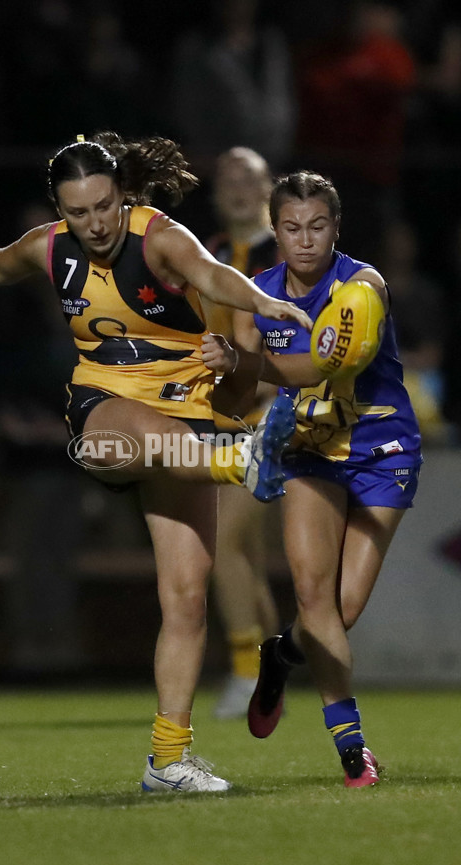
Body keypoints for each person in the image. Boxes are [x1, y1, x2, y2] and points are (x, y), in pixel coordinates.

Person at [0, 132, 311, 793]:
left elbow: (212, 273)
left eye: (104, 207)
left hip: (188, 419)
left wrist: (264, 303)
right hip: (109, 406)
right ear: (61, 209)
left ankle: (167, 762)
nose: (95, 224)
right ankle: (240, 460)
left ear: (122, 195)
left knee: (188, 600)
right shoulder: (51, 247)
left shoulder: (158, 236)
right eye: (78, 212)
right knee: (101, 445)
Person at [202, 170, 422, 787]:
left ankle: (279, 654)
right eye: (292, 227)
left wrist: (247, 359)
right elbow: (242, 390)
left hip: (383, 446)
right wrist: (221, 369)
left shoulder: (362, 287)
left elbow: (321, 363)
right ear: (275, 230)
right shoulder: (258, 294)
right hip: (309, 453)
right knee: (316, 599)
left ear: (336, 228)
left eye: (318, 226)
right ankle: (353, 750)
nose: (305, 241)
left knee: (342, 609)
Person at [203, 147, 281, 718]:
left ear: (268, 188)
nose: (237, 187)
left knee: (222, 541)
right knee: (246, 555)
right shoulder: (206, 256)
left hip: (278, 415)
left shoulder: (285, 251)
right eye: (227, 177)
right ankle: (271, 678)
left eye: (248, 177)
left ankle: (246, 670)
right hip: (227, 418)